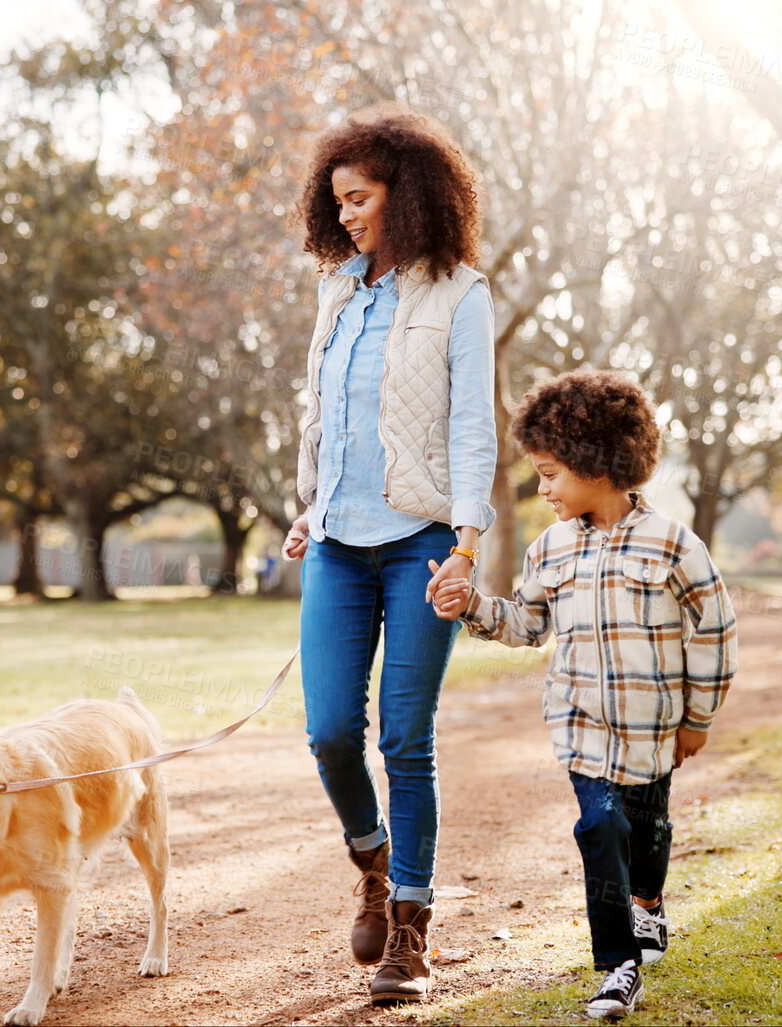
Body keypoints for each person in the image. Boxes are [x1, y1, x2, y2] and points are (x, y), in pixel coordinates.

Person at [428, 368, 738, 1020]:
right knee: (598, 825)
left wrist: (697, 718)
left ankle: (648, 902)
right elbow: (526, 622)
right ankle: (618, 966)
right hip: (580, 726)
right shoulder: (550, 551)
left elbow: (713, 629)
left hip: (653, 729)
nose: (541, 489)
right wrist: (470, 606)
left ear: (598, 462)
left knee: (646, 828)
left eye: (549, 474)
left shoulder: (674, 545)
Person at [279, 104, 498, 1004]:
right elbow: (320, 414)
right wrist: (309, 504)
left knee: (406, 738)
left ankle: (410, 926)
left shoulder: (460, 294)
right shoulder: (337, 291)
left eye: (358, 198)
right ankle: (371, 859)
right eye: (335, 202)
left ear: (405, 194)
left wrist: (468, 544)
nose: (344, 217)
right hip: (336, 542)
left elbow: (472, 426)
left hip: (420, 545)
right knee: (330, 731)